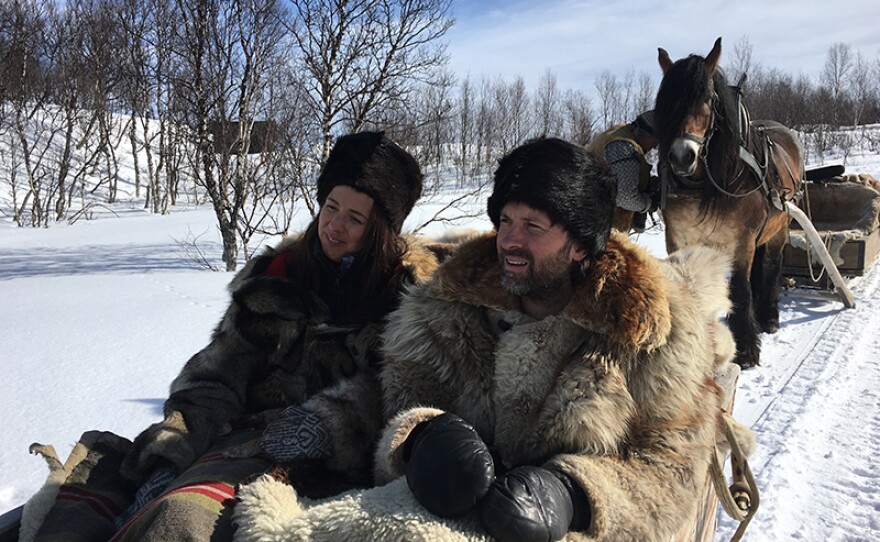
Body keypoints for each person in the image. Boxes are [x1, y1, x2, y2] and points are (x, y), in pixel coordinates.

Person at [233, 137, 755, 542]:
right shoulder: (450, 304)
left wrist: (575, 492)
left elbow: (673, 472)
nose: (510, 239)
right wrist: (413, 436)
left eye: (533, 225)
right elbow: (393, 390)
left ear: (578, 245)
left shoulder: (648, 333)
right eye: (505, 220)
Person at [21, 131, 439, 542]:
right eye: (331, 207)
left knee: (182, 518)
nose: (335, 225)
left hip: (332, 469)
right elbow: (217, 375)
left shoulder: (408, 300)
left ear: (381, 229)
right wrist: (183, 437)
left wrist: (329, 424)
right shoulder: (276, 278)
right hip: (241, 441)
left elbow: (407, 402)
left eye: (355, 217)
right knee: (141, 502)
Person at [587, 110, 660, 233]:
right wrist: (648, 203)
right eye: (656, 141)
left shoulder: (622, 134)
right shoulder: (624, 146)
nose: (654, 147)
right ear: (647, 134)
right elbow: (626, 198)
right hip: (598, 221)